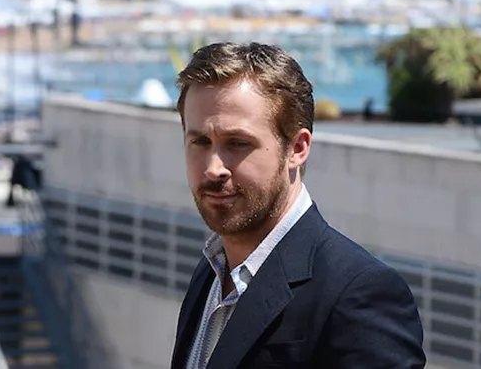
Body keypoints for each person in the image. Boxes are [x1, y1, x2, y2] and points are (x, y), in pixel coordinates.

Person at [170, 42, 426, 369]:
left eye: (237, 143)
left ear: (297, 148)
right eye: (200, 142)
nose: (213, 168)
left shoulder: (358, 295)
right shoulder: (210, 274)